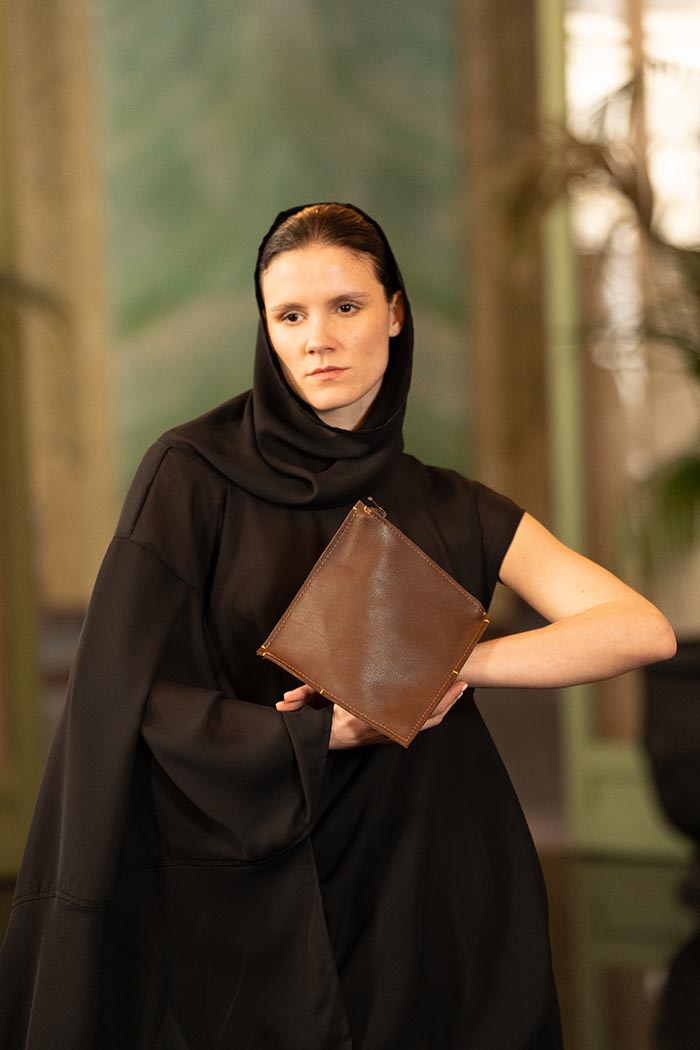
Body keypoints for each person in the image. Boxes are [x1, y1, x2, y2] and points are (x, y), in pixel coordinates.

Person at [0, 202, 676, 1049]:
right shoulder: (190, 475)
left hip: (437, 874)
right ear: (267, 330)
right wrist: (323, 734)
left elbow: (639, 628)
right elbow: (122, 700)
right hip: (255, 881)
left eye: (345, 306)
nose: (317, 338)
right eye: (290, 315)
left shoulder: (451, 505)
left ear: (395, 313)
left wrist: (451, 664)